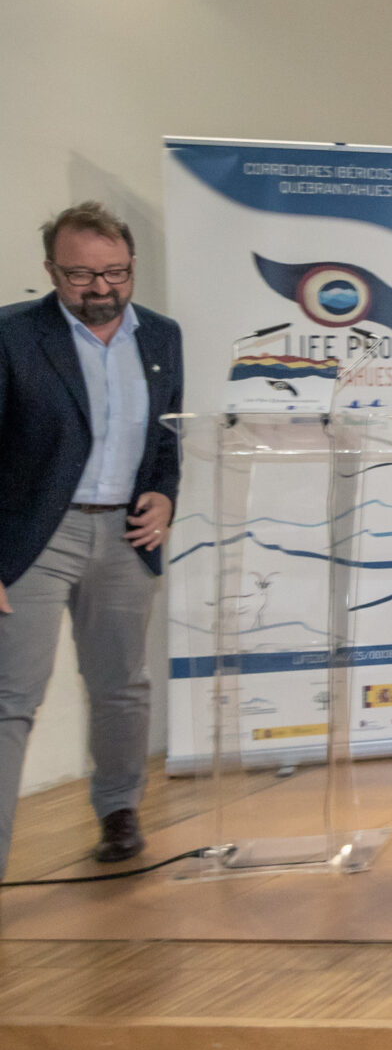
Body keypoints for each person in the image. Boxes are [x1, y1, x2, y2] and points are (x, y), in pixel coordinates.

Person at [0, 202, 182, 879]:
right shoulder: (13, 335)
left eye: (116, 272)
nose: (101, 288)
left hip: (125, 535)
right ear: (51, 270)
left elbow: (166, 437)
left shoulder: (161, 336)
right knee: (11, 699)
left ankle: (119, 808)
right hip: (33, 536)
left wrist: (164, 493)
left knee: (121, 686)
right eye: (81, 275)